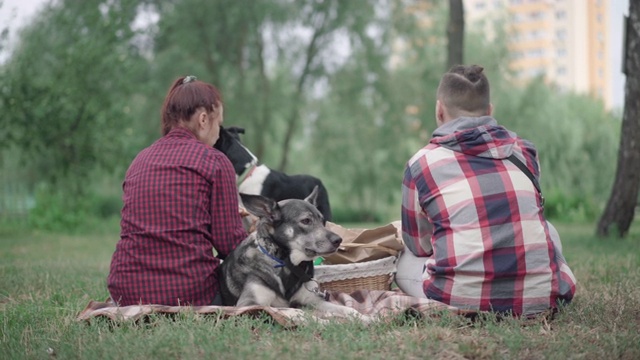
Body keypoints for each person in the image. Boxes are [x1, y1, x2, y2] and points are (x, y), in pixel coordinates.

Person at [397, 65, 576, 317]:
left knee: (402, 253)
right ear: (490, 111)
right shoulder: (524, 152)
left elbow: (418, 245)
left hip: (457, 300)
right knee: (550, 229)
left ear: (439, 110)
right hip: (541, 300)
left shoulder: (421, 164)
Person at [107, 75, 247, 306]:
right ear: (203, 119)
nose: (219, 133)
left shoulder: (139, 160)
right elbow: (229, 244)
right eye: (218, 124)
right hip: (189, 293)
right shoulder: (215, 161)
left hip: (126, 293)